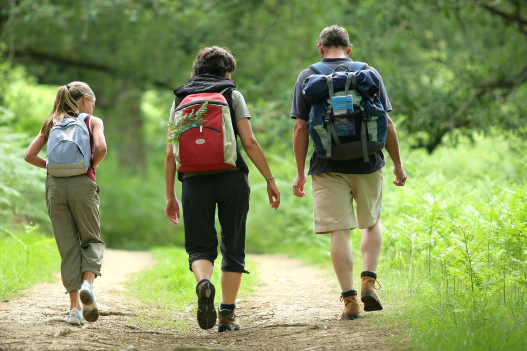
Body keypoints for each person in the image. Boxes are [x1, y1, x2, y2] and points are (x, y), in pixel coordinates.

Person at [291, 25, 407, 320]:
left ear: (320, 48)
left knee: (339, 231)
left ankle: (350, 301)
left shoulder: (308, 76)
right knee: (371, 222)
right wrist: (397, 164)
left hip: (327, 165)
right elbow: (387, 123)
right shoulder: (368, 73)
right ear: (349, 48)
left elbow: (300, 127)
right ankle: (369, 280)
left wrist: (300, 172)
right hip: (368, 161)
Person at [165, 46, 281, 332]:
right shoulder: (232, 95)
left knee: (199, 245)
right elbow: (250, 142)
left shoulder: (181, 98)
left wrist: (170, 195)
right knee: (233, 242)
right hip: (232, 178)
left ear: (197, 69)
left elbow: (170, 152)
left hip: (193, 181)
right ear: (227, 71)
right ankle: (227, 315)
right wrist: (269, 178)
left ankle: (204, 283)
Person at [24, 81, 107, 326]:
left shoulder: (51, 122)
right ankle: (88, 285)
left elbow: (29, 155)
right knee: (92, 239)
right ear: (85, 101)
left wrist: (51, 167)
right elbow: (101, 147)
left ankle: (74, 310)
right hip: (82, 184)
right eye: (92, 102)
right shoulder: (92, 121)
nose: (93, 107)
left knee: (68, 247)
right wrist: (91, 166)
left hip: (55, 187)